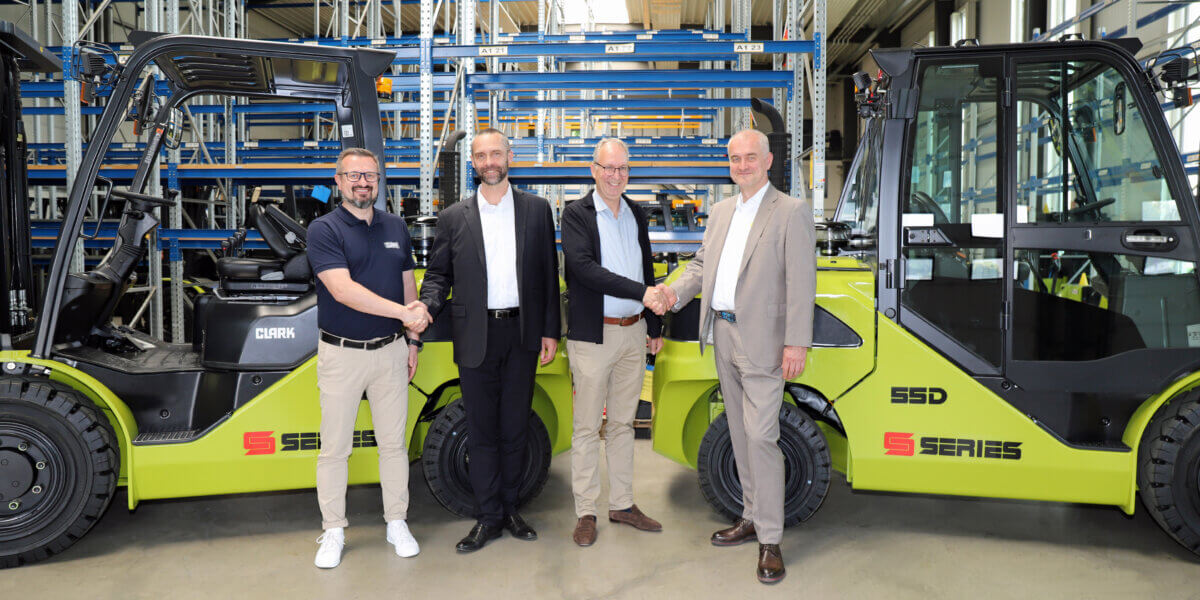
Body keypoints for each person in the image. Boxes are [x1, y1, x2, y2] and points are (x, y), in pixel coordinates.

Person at [657, 129, 816, 584]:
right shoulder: (723, 211)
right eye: (735, 158)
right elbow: (702, 265)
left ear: (767, 161)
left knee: (762, 436)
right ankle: (749, 515)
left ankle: (771, 539)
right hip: (723, 333)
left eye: (750, 157)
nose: (742, 165)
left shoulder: (790, 211)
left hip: (764, 340)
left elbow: (802, 280)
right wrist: (672, 292)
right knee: (741, 433)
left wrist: (796, 342)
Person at [416, 128, 561, 553]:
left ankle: (512, 509)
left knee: (515, 427)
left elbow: (548, 274)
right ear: (473, 163)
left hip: (522, 333)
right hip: (475, 334)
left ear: (509, 157)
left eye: (496, 154)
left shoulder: (536, 210)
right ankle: (487, 517)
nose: (489, 162)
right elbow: (439, 274)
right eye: (481, 156)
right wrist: (426, 306)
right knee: (481, 430)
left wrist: (551, 329)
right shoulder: (453, 217)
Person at [306, 147, 430, 568]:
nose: (363, 183)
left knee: (394, 445)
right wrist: (404, 315)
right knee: (334, 448)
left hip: (391, 352)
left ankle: (397, 522)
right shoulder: (324, 229)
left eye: (370, 176)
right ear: (339, 181)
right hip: (342, 353)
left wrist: (412, 340)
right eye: (354, 176)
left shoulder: (395, 226)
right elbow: (342, 290)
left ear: (378, 181)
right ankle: (333, 530)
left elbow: (407, 284)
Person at [560, 137, 667, 546]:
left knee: (623, 424)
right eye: (608, 167)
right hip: (594, 335)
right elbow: (583, 269)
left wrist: (653, 324)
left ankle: (622, 503)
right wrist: (642, 293)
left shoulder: (635, 212)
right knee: (588, 427)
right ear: (594, 170)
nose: (615, 175)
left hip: (633, 331)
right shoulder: (577, 214)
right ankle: (586, 511)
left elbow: (646, 268)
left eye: (622, 168)